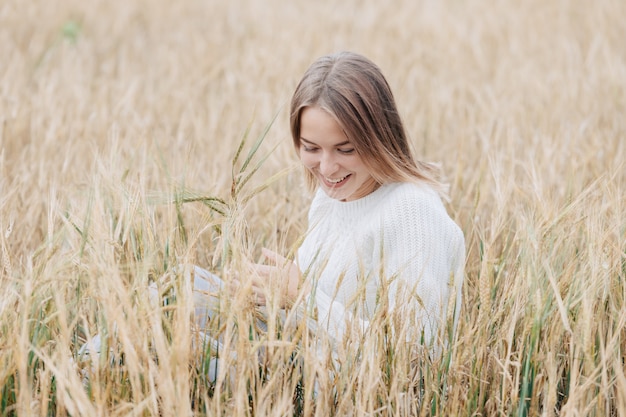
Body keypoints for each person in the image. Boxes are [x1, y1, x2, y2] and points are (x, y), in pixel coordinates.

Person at [250, 51, 465, 350]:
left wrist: (304, 298)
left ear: (378, 138)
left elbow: (416, 356)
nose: (326, 169)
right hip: (303, 379)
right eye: (311, 148)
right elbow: (309, 322)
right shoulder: (330, 200)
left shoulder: (412, 212)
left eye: (346, 150)